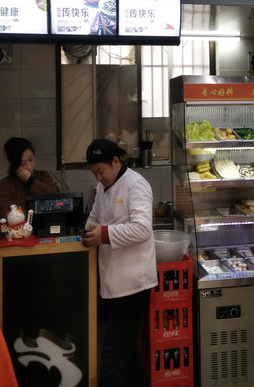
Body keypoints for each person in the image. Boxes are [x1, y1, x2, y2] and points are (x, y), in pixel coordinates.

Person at [81, 138, 157, 387]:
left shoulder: (136, 184)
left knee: (113, 354)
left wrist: (103, 234)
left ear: (116, 162)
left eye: (100, 171)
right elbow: (94, 216)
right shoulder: (102, 187)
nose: (98, 177)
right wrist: (89, 231)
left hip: (133, 285)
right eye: (94, 173)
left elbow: (142, 229)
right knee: (128, 353)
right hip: (113, 283)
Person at [0, 137, 60, 221]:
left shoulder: (42, 176)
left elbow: (57, 200)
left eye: (31, 160)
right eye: (23, 163)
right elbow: (4, 214)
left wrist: (31, 182)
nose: (29, 166)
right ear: (13, 164)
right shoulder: (5, 184)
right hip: (20, 229)